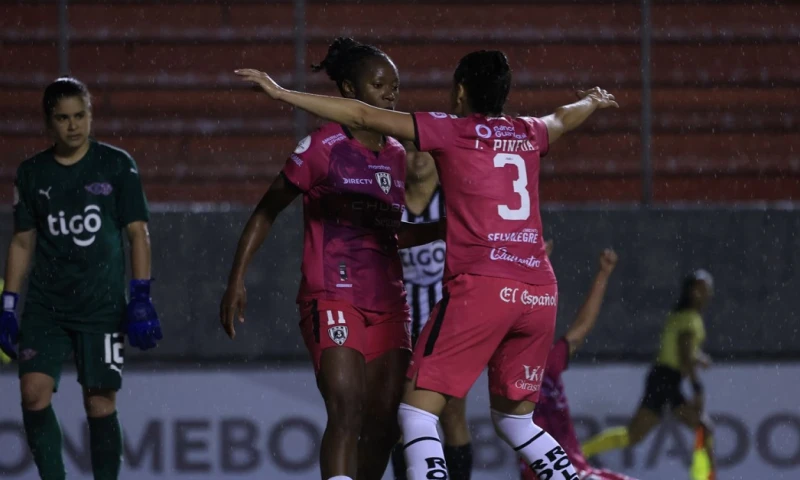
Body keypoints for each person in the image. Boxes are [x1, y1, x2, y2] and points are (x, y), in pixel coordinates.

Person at [235, 48, 618, 480]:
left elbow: (360, 117)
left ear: (459, 92)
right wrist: (593, 100)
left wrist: (284, 93)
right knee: (516, 421)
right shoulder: (529, 132)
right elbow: (563, 117)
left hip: (484, 290)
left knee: (416, 415)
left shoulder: (451, 131)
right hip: (538, 291)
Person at [220, 38, 439, 480]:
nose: (390, 95)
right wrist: (236, 278)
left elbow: (390, 231)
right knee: (346, 407)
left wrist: (448, 229)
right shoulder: (322, 145)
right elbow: (268, 208)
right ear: (347, 89)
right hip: (332, 296)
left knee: (383, 424)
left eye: (394, 86)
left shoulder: (397, 154)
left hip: (390, 305)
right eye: (379, 85)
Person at [0, 77, 162, 480]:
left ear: (90, 115)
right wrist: (8, 305)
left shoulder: (117, 165)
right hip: (46, 306)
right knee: (33, 394)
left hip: (101, 304)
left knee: (99, 403)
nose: (73, 126)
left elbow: (137, 232)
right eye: (63, 118)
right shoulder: (32, 174)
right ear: (48, 123)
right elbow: (22, 243)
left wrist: (140, 295)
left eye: (80, 115)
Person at [518, 246, 637, 480]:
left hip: (579, 471)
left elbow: (582, 327)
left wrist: (603, 275)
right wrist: (530, 270)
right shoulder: (508, 371)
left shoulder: (549, 362)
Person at [581, 269, 715, 473]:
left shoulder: (681, 315)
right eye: (698, 290)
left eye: (705, 290)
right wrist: (697, 387)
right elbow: (684, 353)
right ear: (689, 291)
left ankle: (579, 452)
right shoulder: (689, 318)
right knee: (704, 429)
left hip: (660, 378)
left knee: (633, 435)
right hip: (667, 379)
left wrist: (699, 357)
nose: (702, 294)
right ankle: (705, 478)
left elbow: (681, 348)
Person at [391, 149, 473, 479]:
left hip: (449, 327)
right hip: (399, 330)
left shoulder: (456, 202)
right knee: (401, 418)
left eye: (424, 148)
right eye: (409, 149)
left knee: (452, 415)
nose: (418, 155)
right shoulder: (390, 204)